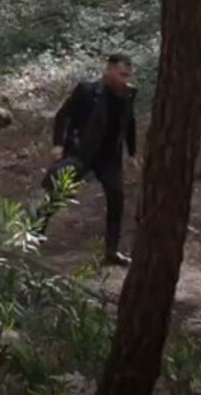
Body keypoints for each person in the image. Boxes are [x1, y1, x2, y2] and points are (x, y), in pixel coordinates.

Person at [40, 53, 139, 266]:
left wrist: (132, 153)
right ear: (109, 70)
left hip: (109, 157)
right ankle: (34, 233)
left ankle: (111, 251)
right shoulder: (87, 91)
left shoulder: (128, 94)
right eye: (121, 74)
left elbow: (130, 123)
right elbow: (62, 115)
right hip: (81, 152)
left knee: (117, 197)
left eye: (127, 75)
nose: (124, 79)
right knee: (57, 190)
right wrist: (58, 144)